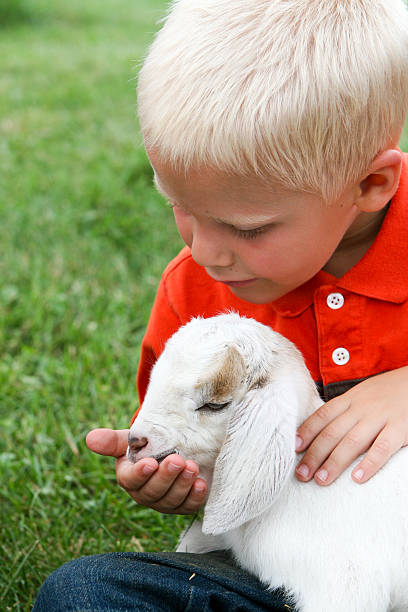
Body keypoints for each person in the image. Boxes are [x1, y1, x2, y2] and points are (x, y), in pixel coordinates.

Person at [34, 0, 408, 609]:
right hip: (287, 564)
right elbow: (189, 435)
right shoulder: (194, 292)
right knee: (85, 593)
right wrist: (175, 479)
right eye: (179, 206)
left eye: (248, 228)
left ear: (369, 186)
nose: (205, 251)